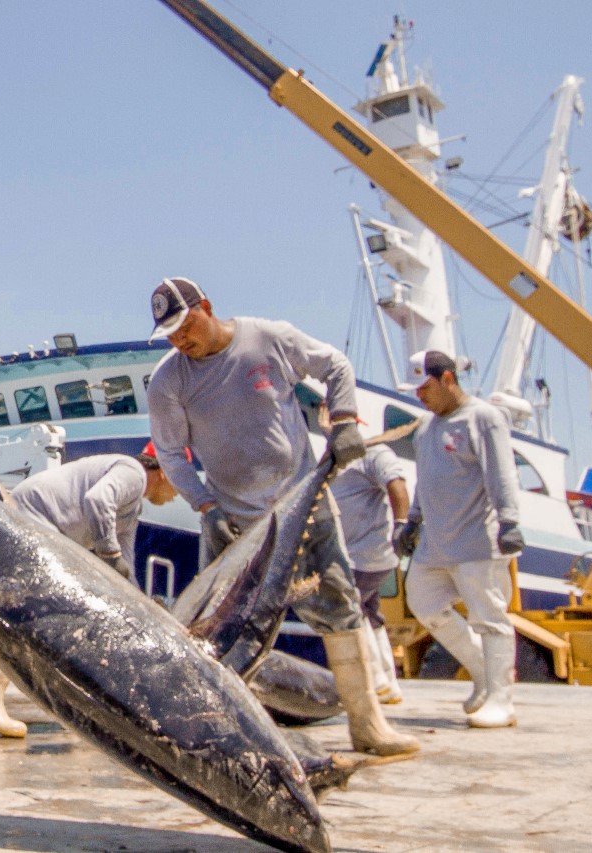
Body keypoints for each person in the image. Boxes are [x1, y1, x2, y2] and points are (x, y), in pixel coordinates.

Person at [145, 276, 419, 756]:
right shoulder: (170, 380)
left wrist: (348, 421)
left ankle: (368, 725)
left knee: (340, 607)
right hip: (231, 521)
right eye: (169, 334)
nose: (179, 340)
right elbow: (170, 454)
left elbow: (334, 365)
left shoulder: (268, 339)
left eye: (185, 326)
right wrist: (205, 507)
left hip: (302, 505)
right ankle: (222, 733)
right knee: (219, 628)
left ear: (206, 307)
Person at [0, 447, 179, 737]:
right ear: (164, 472)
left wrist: (139, 605)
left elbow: (125, 565)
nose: (179, 494)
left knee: (56, 618)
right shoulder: (132, 472)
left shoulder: (132, 506)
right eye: (179, 482)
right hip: (34, 517)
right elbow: (98, 501)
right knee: (36, 614)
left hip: (49, 529)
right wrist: (109, 555)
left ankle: (69, 703)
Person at [393, 350, 524, 728]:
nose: (420, 396)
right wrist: (412, 521)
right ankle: (484, 673)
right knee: (424, 603)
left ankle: (502, 699)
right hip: (435, 542)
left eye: (425, 387)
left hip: (476, 541)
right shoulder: (426, 428)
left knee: (490, 618)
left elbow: (501, 473)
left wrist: (510, 520)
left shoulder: (484, 418)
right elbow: (425, 480)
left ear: (448, 379)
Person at [328, 434, 410, 704]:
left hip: (365, 554)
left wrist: (401, 524)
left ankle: (376, 680)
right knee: (369, 612)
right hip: (357, 553)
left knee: (348, 608)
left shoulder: (375, 453)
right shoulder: (340, 456)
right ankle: (389, 683)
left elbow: (396, 483)